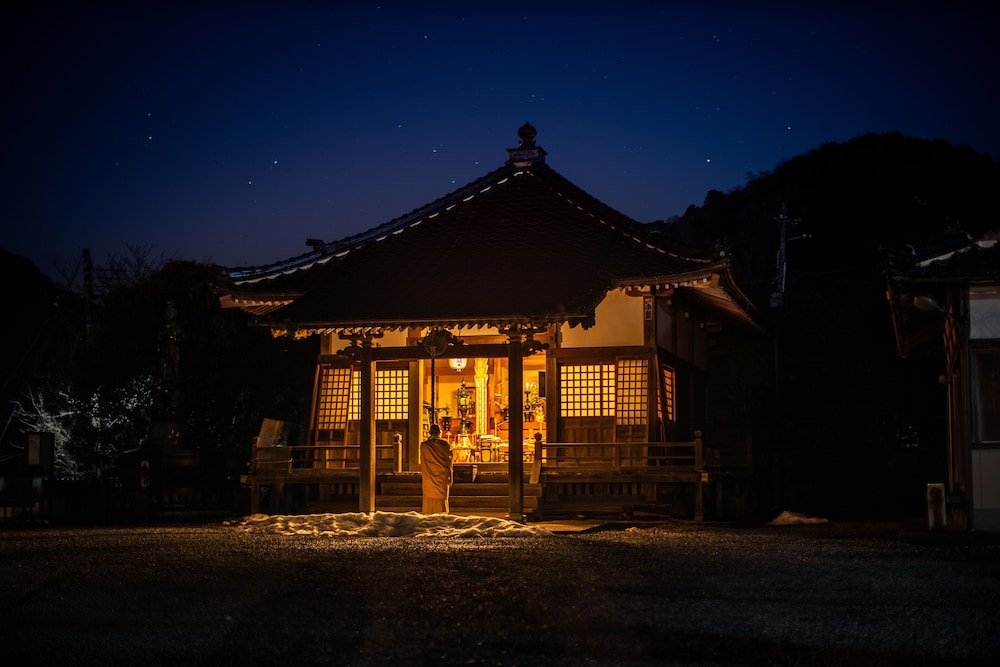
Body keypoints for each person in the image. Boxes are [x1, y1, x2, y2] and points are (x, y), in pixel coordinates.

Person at [420, 424, 453, 514]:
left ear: (429, 433)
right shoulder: (444, 445)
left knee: (429, 501)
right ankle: (441, 518)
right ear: (440, 433)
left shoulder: (424, 446)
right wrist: (450, 476)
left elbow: (423, 461)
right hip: (441, 477)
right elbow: (449, 461)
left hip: (429, 477)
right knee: (440, 502)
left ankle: (428, 516)